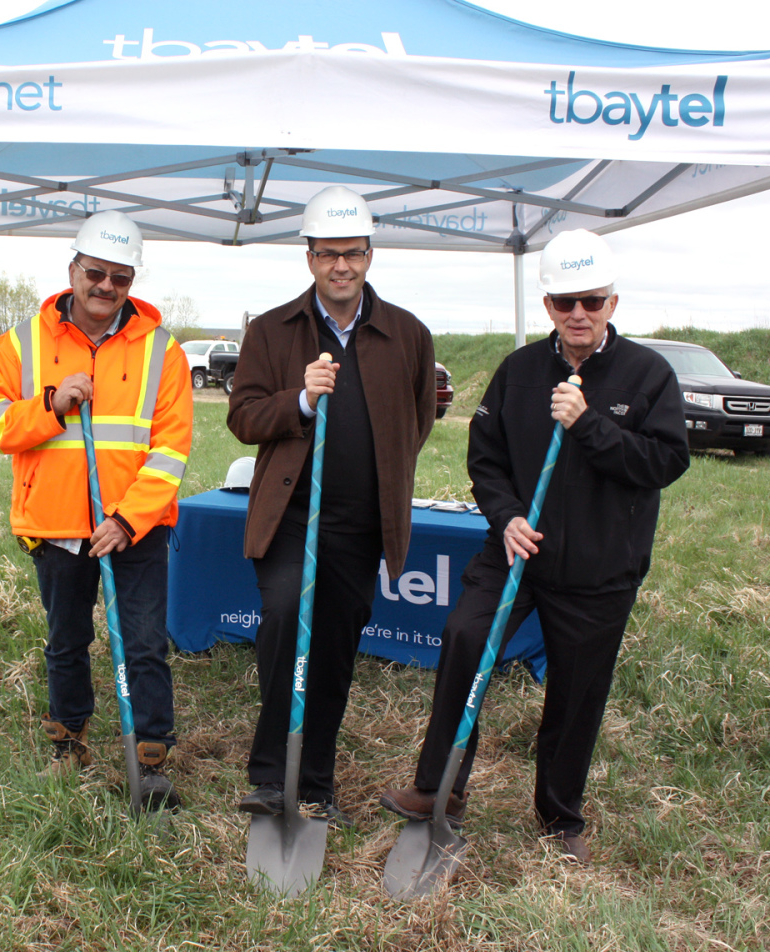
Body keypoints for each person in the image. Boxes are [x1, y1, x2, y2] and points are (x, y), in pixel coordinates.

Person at [380, 229, 689, 862]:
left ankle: (559, 814)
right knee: (464, 636)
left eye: (592, 301)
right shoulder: (519, 371)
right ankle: (438, 787)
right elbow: (485, 458)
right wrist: (507, 516)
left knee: (577, 691)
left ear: (612, 302)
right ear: (547, 305)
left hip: (600, 567)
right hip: (514, 551)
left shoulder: (647, 374)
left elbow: (663, 463)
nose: (578, 313)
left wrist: (589, 425)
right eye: (564, 301)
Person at [0, 210, 193, 810]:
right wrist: (49, 404)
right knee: (66, 641)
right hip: (57, 524)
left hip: (135, 527)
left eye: (120, 277)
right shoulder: (22, 343)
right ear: (73, 269)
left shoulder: (163, 351)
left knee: (144, 643)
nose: (106, 287)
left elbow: (171, 450)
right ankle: (67, 736)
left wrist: (127, 519)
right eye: (96, 272)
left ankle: (150, 754)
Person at [228, 186, 437, 828]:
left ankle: (315, 782)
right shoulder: (272, 330)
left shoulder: (407, 334)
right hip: (293, 520)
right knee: (288, 620)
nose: (340, 266)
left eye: (352, 254)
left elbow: (418, 418)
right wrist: (300, 401)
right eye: (327, 254)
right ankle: (271, 776)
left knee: (336, 651)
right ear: (310, 258)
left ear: (370, 255)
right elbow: (242, 417)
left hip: (359, 526)